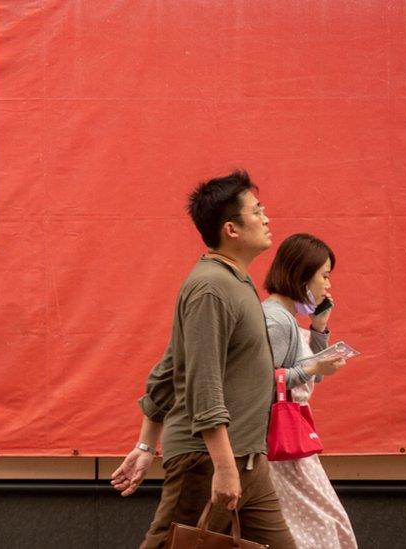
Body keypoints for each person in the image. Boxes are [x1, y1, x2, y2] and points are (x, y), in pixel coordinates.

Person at [111, 170, 297, 548]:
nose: (266, 218)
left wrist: (146, 445)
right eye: (257, 211)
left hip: (247, 459)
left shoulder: (237, 281)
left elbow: (170, 367)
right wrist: (224, 467)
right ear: (231, 229)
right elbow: (201, 381)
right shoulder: (210, 287)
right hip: (206, 460)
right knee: (170, 543)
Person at [261, 233, 357, 549]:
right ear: (302, 275)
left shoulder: (285, 316)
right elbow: (260, 381)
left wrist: (319, 329)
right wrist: (315, 368)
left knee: (324, 527)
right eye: (324, 276)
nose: (328, 285)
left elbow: (308, 379)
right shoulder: (276, 320)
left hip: (289, 442)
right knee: (323, 529)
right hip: (279, 444)